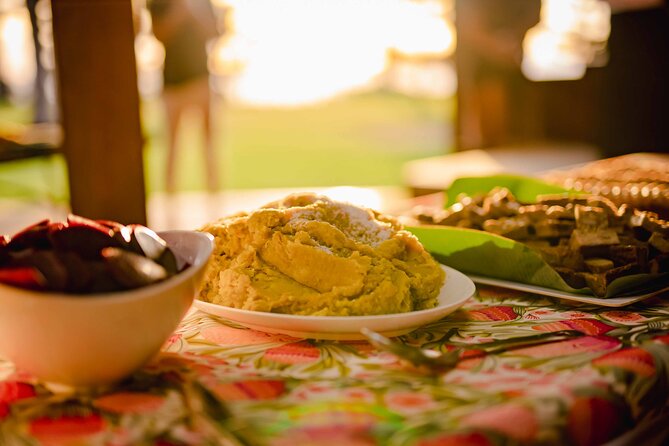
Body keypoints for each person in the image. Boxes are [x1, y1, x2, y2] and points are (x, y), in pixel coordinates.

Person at [148, 0, 220, 193]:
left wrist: (192, 12)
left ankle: (214, 192)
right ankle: (170, 194)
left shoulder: (203, 2)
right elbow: (159, 34)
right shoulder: (158, 3)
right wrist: (178, 12)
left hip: (200, 80)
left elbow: (213, 32)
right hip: (172, 84)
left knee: (209, 141)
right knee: (171, 143)